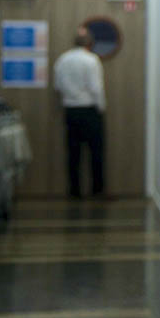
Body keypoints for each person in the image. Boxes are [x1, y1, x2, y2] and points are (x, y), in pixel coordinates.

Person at [54, 27, 106, 199]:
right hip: (90, 109)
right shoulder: (91, 60)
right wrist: (101, 108)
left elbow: (58, 86)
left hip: (70, 110)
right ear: (90, 43)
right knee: (95, 152)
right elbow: (96, 87)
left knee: (73, 152)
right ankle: (97, 190)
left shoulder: (62, 60)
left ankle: (74, 190)